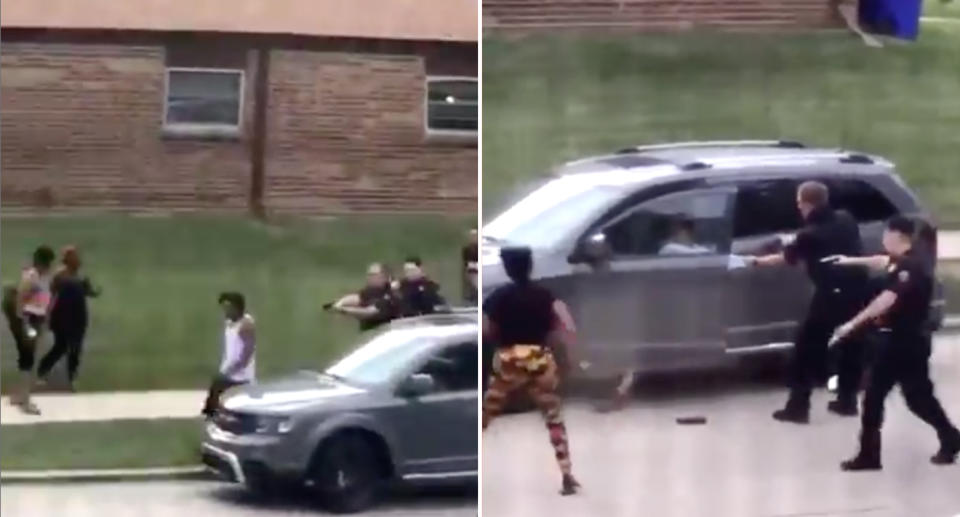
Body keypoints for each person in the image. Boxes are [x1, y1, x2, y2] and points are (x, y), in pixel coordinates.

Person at [829, 216, 960, 470]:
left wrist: (851, 325)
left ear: (897, 236)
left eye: (885, 234)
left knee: (874, 397)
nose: (882, 239)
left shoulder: (909, 267)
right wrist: (849, 261)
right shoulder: (907, 261)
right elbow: (881, 261)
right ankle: (951, 437)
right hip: (909, 342)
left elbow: (886, 300)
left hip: (900, 342)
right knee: (918, 398)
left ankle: (869, 456)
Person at [745, 181, 870, 422]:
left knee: (806, 350)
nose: (799, 207)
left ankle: (798, 407)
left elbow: (786, 258)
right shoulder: (846, 218)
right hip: (859, 290)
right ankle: (847, 401)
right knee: (851, 346)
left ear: (807, 204)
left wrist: (755, 261)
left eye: (800, 203)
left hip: (831, 295)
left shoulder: (809, 235)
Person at [482, 246, 581, 496]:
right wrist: (570, 357)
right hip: (539, 358)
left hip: (509, 359)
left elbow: (486, 330)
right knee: (553, 416)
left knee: (486, 412)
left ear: (507, 268)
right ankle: (567, 473)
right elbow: (566, 324)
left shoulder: (498, 297)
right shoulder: (546, 295)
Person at [36, 246, 101, 391]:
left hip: (78, 317)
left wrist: (94, 292)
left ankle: (71, 377)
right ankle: (43, 370)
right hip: (62, 316)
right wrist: (44, 311)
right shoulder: (60, 275)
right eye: (74, 256)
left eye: (77, 256)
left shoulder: (81, 277)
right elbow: (49, 294)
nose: (78, 259)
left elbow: (88, 292)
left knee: (76, 348)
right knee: (61, 346)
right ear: (67, 259)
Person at [2, 246, 56, 415]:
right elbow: (20, 299)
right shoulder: (32, 277)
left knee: (26, 359)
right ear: (42, 262)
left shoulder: (42, 276)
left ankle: (20, 396)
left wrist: (45, 317)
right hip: (29, 320)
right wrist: (24, 323)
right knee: (28, 360)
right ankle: (25, 401)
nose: (49, 266)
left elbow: (43, 298)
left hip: (35, 319)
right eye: (47, 263)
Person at [203, 292, 256, 418]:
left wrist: (232, 368)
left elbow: (247, 352)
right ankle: (212, 414)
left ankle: (211, 415)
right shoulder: (229, 322)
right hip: (229, 370)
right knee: (216, 391)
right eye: (224, 307)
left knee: (216, 390)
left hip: (240, 375)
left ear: (238, 308)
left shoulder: (246, 324)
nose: (225, 311)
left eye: (229, 308)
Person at [328, 263, 399, 331]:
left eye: (373, 275)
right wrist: (340, 302)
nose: (370, 277)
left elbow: (369, 312)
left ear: (385, 277)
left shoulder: (390, 294)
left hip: (386, 334)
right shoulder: (371, 291)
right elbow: (358, 297)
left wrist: (344, 310)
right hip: (370, 333)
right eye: (369, 275)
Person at [462, 229, 478, 302]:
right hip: (471, 269)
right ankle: (472, 297)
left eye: (475, 236)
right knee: (472, 283)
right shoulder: (466, 249)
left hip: (476, 268)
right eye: (472, 236)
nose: (473, 238)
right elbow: (465, 261)